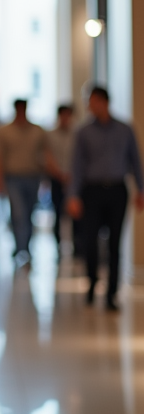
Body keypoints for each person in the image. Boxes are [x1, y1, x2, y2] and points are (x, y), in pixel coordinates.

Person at [67, 86, 144, 310]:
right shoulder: (83, 132)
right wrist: (73, 195)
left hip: (117, 190)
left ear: (103, 102)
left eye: (91, 101)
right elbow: (77, 166)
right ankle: (91, 283)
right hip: (91, 191)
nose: (89, 106)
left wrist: (141, 189)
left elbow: (135, 161)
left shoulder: (125, 129)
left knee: (115, 243)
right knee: (89, 241)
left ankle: (112, 293)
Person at [0, 99, 50, 264]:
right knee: (18, 214)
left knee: (29, 214)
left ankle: (25, 246)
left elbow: (46, 155)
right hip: (13, 178)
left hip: (32, 177)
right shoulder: (4, 132)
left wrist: (48, 177)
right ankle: (21, 248)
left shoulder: (37, 131)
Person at [46, 104, 76, 256]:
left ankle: (78, 246)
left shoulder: (77, 134)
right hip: (57, 178)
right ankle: (58, 244)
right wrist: (59, 174)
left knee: (76, 213)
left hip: (74, 179)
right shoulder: (50, 135)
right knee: (58, 211)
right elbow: (47, 156)